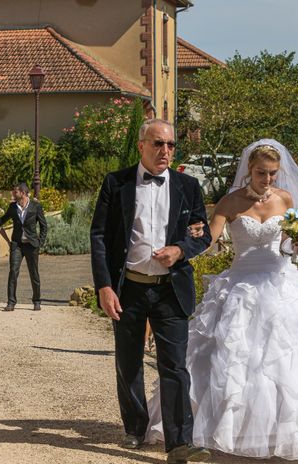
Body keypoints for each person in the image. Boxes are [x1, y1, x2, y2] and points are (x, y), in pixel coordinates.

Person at [145, 139, 298, 460]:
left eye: (273, 174)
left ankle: (285, 432)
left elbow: (287, 248)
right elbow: (208, 240)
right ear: (249, 169)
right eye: (262, 173)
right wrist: (180, 249)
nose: (268, 180)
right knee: (233, 363)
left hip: (281, 284)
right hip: (240, 286)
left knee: (288, 364)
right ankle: (221, 431)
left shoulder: (285, 199)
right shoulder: (230, 203)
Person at [90, 118, 212, 463]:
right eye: (158, 144)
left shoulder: (189, 186)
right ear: (141, 145)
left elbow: (201, 234)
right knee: (128, 362)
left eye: (171, 145)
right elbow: (98, 235)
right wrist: (104, 285)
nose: (166, 151)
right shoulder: (116, 183)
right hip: (128, 288)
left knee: (174, 366)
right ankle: (135, 426)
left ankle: (179, 443)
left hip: (170, 289)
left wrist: (180, 250)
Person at [0, 182, 47, 312]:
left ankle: (37, 301)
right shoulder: (12, 207)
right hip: (17, 245)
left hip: (32, 245)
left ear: (23, 192)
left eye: (15, 192)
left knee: (34, 273)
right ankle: (11, 302)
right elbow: (1, 221)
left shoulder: (35, 206)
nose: (13, 194)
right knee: (13, 272)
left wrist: (40, 242)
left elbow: (44, 226)